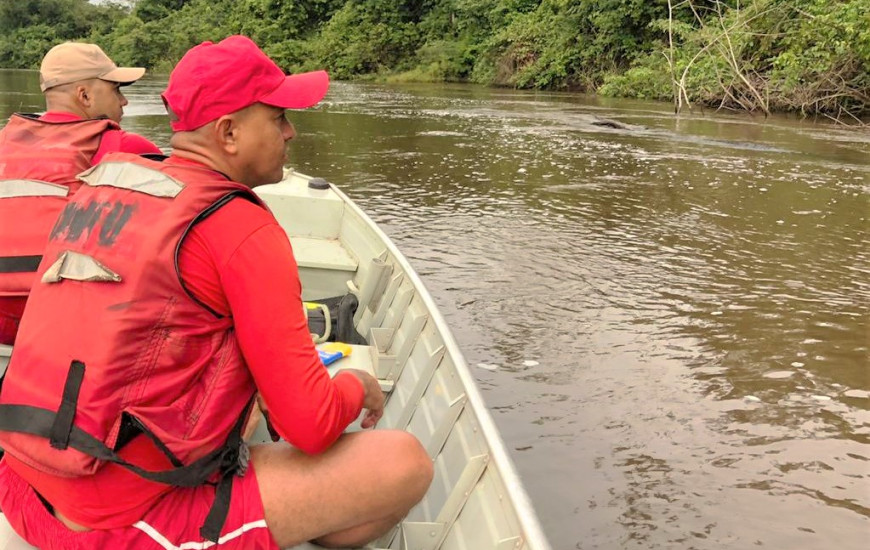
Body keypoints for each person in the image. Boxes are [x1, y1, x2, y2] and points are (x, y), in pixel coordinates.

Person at [0, 35, 433, 550]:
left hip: (21, 489)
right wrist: (358, 386)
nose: (291, 132)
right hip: (112, 526)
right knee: (404, 463)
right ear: (229, 132)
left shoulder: (101, 189)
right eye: (278, 118)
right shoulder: (239, 227)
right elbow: (311, 426)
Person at [0, 42, 161, 346]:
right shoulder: (123, 146)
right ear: (84, 96)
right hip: (55, 321)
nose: (124, 101)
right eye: (116, 90)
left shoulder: (4, 141)